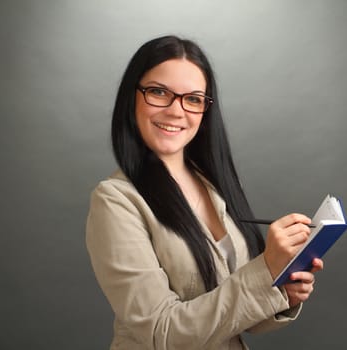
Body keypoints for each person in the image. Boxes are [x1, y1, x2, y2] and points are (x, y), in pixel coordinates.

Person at [86, 35, 324, 350]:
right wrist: (265, 269)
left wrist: (281, 287)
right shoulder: (116, 201)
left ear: (205, 109)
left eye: (194, 98)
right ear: (132, 97)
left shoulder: (215, 184)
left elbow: (232, 315)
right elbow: (162, 333)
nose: (176, 111)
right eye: (159, 92)